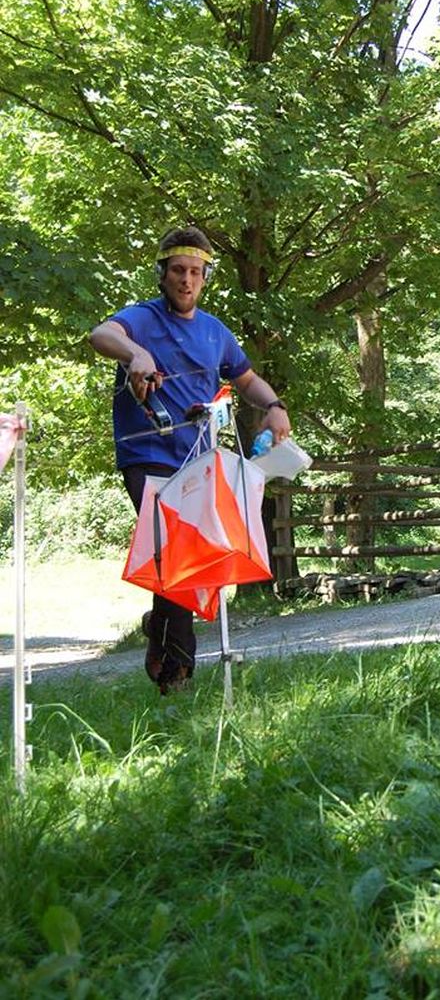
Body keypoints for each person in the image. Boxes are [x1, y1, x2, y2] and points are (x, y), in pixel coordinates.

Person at [90, 227, 292, 694]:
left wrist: (275, 406)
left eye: (195, 272)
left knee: (188, 557)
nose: (186, 280)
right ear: (163, 275)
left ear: (204, 279)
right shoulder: (141, 319)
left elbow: (247, 380)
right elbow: (101, 334)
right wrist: (136, 353)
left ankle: (159, 628)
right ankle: (177, 675)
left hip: (197, 459)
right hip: (146, 454)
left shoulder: (215, 331)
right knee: (178, 549)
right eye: (178, 270)